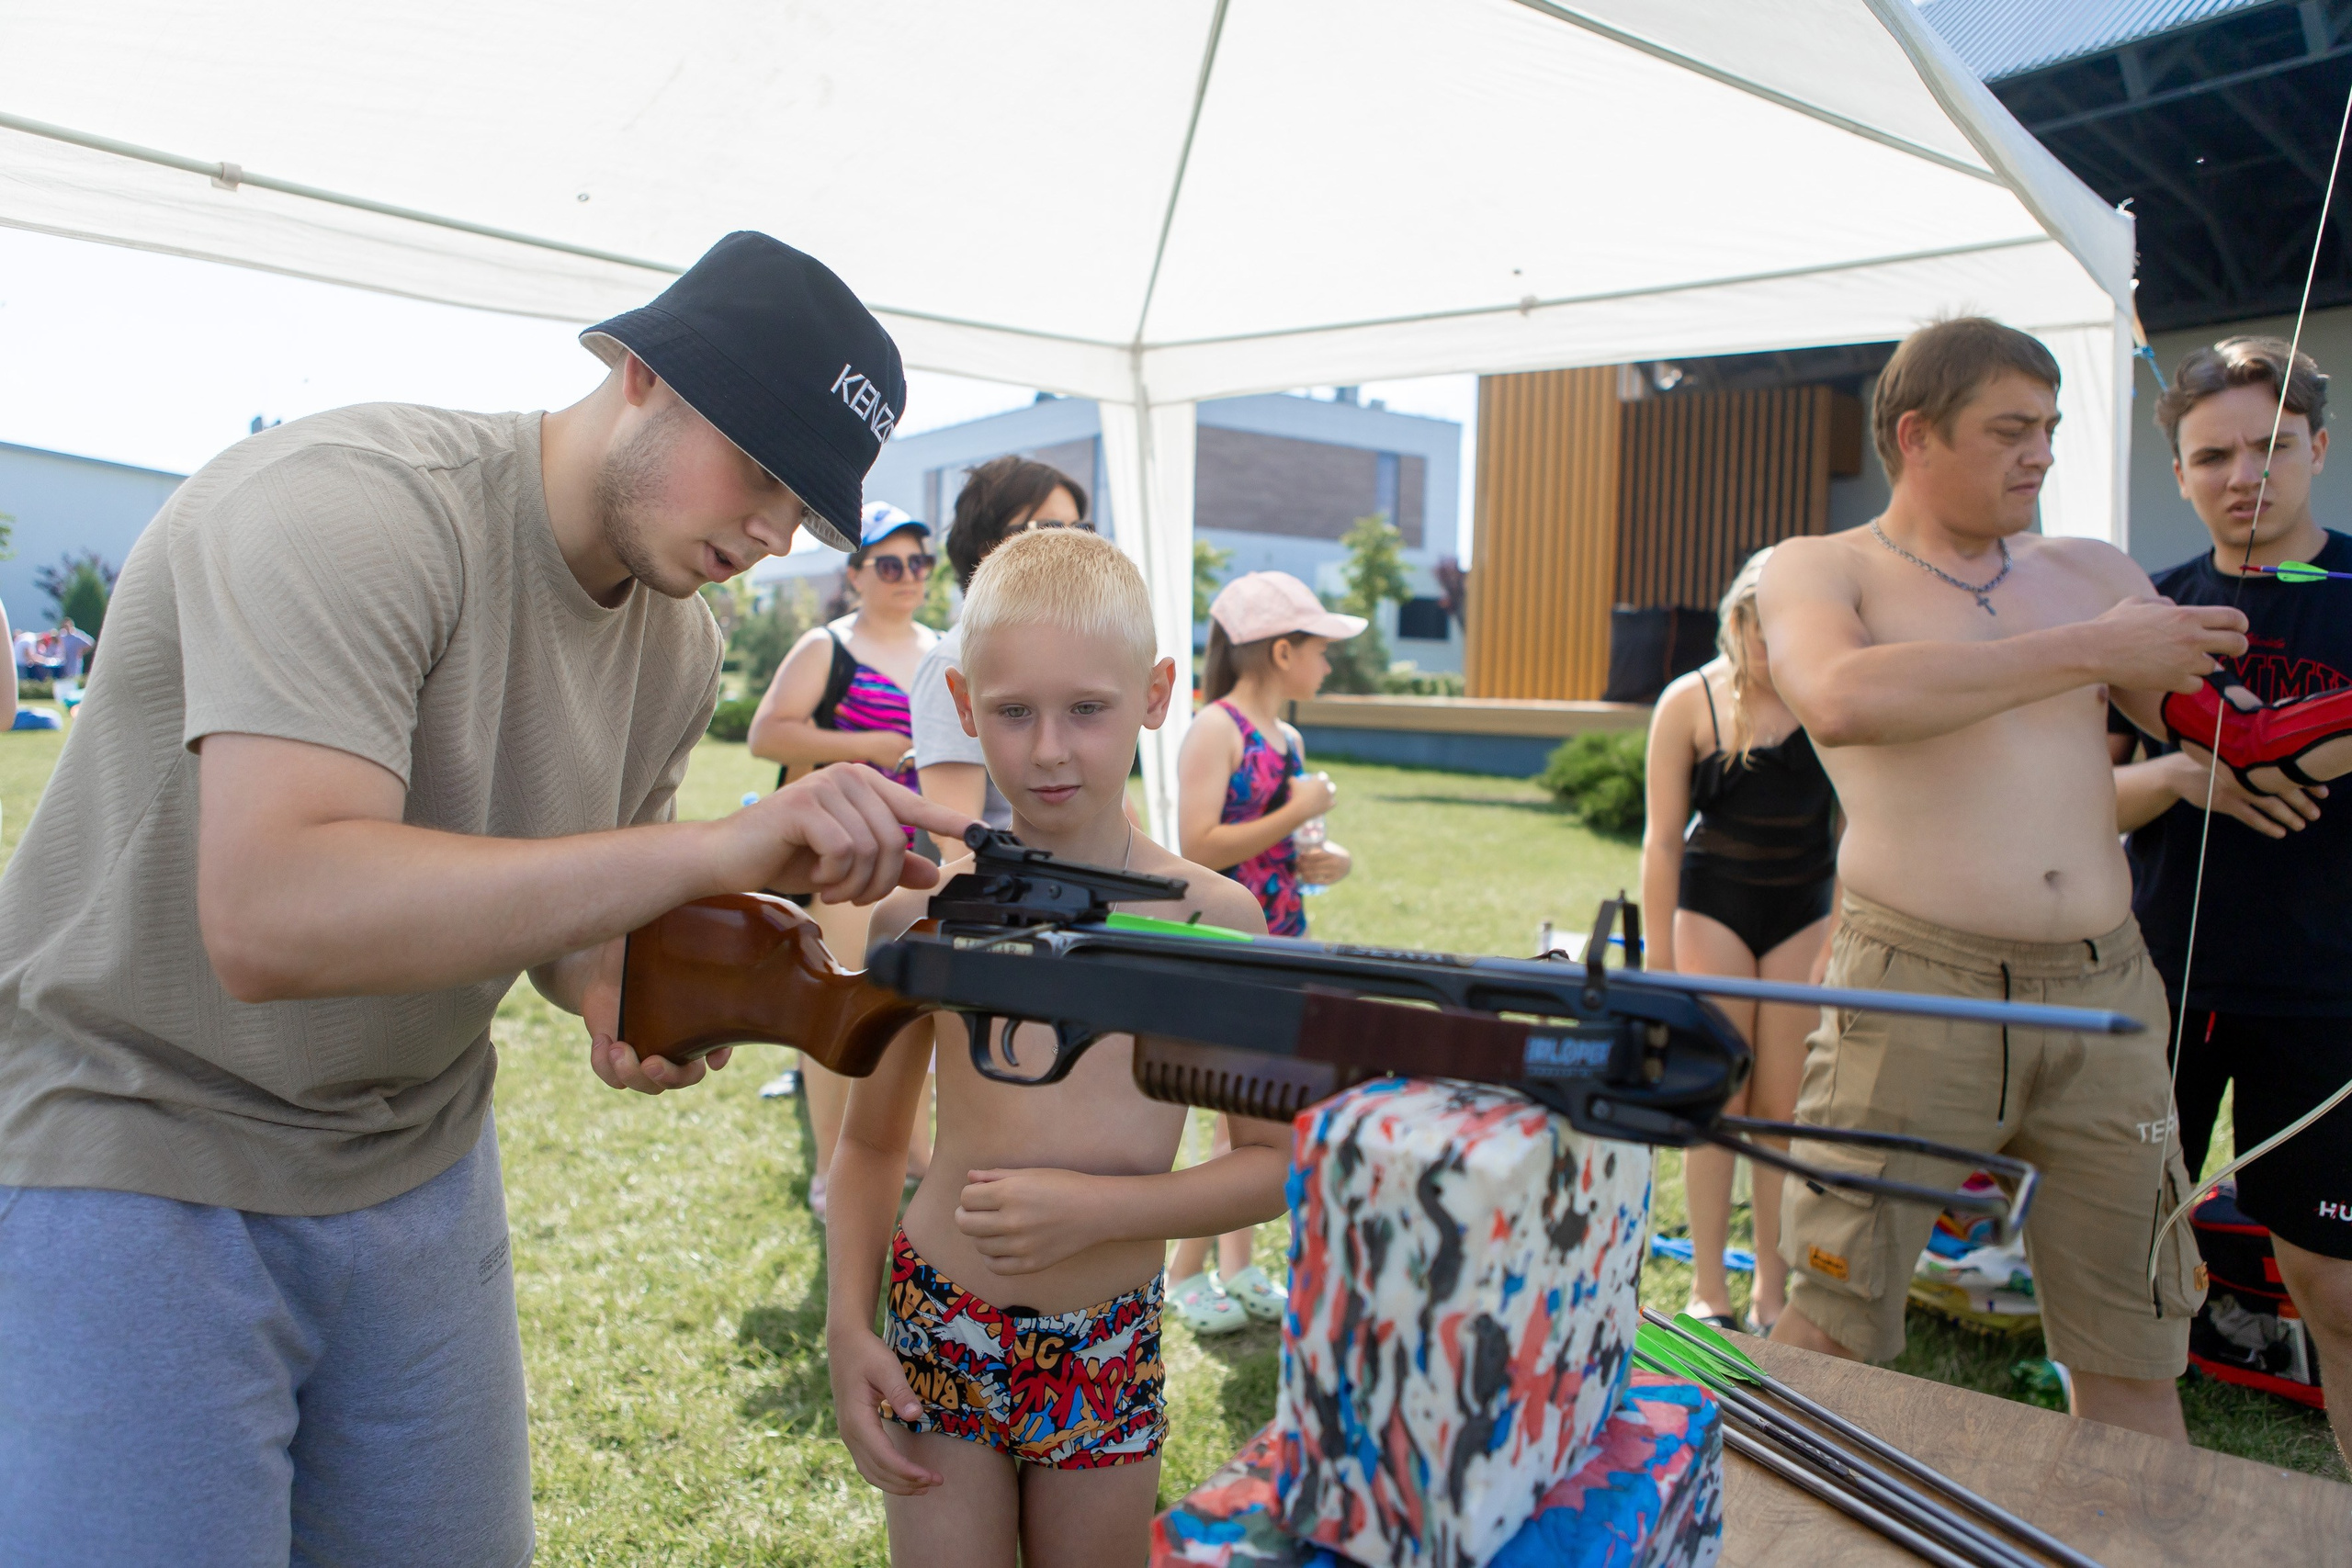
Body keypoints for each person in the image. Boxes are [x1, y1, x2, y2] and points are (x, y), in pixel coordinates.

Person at [0, 231, 976, 1562]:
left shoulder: (676, 641)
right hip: (135, 1150)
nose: (767, 533)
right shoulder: (351, 507)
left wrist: (678, 980)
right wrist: (716, 846)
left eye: (802, 513)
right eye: (758, 466)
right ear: (637, 371)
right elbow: (274, 912)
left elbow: (576, 920)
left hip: (419, 1161)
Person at [1757, 315, 2248, 1442]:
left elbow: (2234, 722)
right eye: (2011, 430)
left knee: (2133, 1345)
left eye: (2052, 429)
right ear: (1917, 434)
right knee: (1830, 1321)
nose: (2041, 454)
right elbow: (1839, 698)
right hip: (1913, 985)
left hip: (2106, 992)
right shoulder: (1823, 567)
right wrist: (2090, 651)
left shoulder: (2090, 572)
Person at [826, 527, 1288, 1568]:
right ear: (958, 704)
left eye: (1087, 708)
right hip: (940, 1325)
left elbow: (1274, 1167)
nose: (1047, 750)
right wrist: (847, 1327)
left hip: (1106, 1344)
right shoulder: (925, 920)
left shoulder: (1211, 922)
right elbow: (866, 1149)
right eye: (1012, 712)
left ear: (1156, 692)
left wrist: (1100, 1211)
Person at [2109, 335, 2352, 1464]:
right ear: (2179, 474)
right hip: (2158, 978)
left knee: (2334, 1288)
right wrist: (2174, 775)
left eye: (2270, 446)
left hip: (2323, 993)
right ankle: (2115, 1498)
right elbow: (2077, 804)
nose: (2243, 474)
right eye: (2213, 455)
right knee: (2119, 1270)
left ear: (2316, 446)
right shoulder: (2143, 616)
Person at [1640, 546, 1836, 1337]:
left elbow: (1860, 830)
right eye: (1761, 629)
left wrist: (1836, 942)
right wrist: (1659, 957)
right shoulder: (1690, 701)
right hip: (1713, 902)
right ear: (1737, 620)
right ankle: (1710, 1284)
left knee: (1780, 1109)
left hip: (1804, 905)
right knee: (1718, 1096)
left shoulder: (1827, 696)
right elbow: (1660, 841)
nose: (1771, 646)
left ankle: (1772, 1290)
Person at [1163, 570, 1361, 1335]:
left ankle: (1236, 1264)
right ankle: (1184, 1273)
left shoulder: (1289, 738)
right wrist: (1301, 813)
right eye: (1320, 648)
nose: (1329, 664)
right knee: (1239, 1105)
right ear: (1282, 650)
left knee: (1261, 1112)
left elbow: (1290, 841)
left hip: (1285, 943)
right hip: (1230, 946)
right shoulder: (1217, 728)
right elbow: (1198, 846)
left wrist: (1323, 853)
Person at [749, 501, 941, 1213]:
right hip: (846, 855)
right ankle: (831, 1162)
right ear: (856, 573)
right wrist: (868, 749)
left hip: (922, 857)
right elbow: (768, 735)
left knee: (914, 1009)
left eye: (919, 562)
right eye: (889, 563)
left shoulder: (943, 646)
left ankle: (915, 1148)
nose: (907, 576)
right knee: (840, 1009)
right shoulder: (825, 647)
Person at [909, 456, 1091, 859]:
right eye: (1048, 531)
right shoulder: (954, 660)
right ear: (988, 546)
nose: (1073, 547)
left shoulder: (1083, 650)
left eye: (1082, 531)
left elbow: (1117, 812)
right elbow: (958, 839)